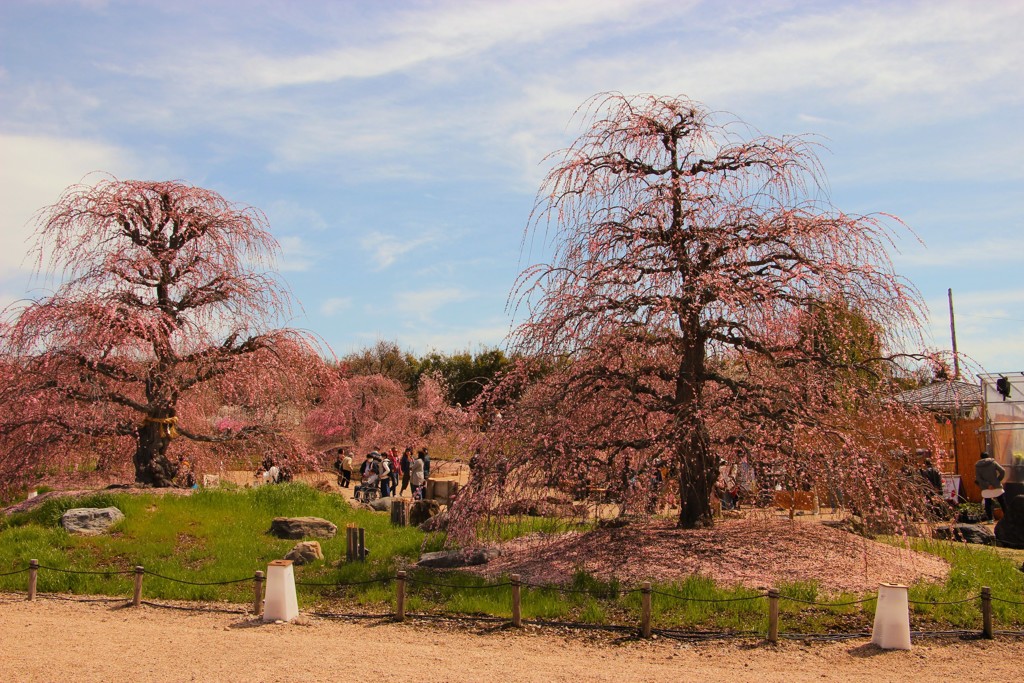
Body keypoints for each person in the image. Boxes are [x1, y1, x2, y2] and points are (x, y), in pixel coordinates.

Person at [975, 452, 1007, 521]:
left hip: (986, 487)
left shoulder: (978, 466)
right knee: (1002, 502)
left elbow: (978, 478)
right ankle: (1007, 517)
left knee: (988, 503)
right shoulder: (993, 462)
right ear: (988, 456)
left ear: (981, 457)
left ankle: (990, 519)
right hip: (996, 486)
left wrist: (987, 485)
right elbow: (1002, 471)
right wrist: (997, 481)